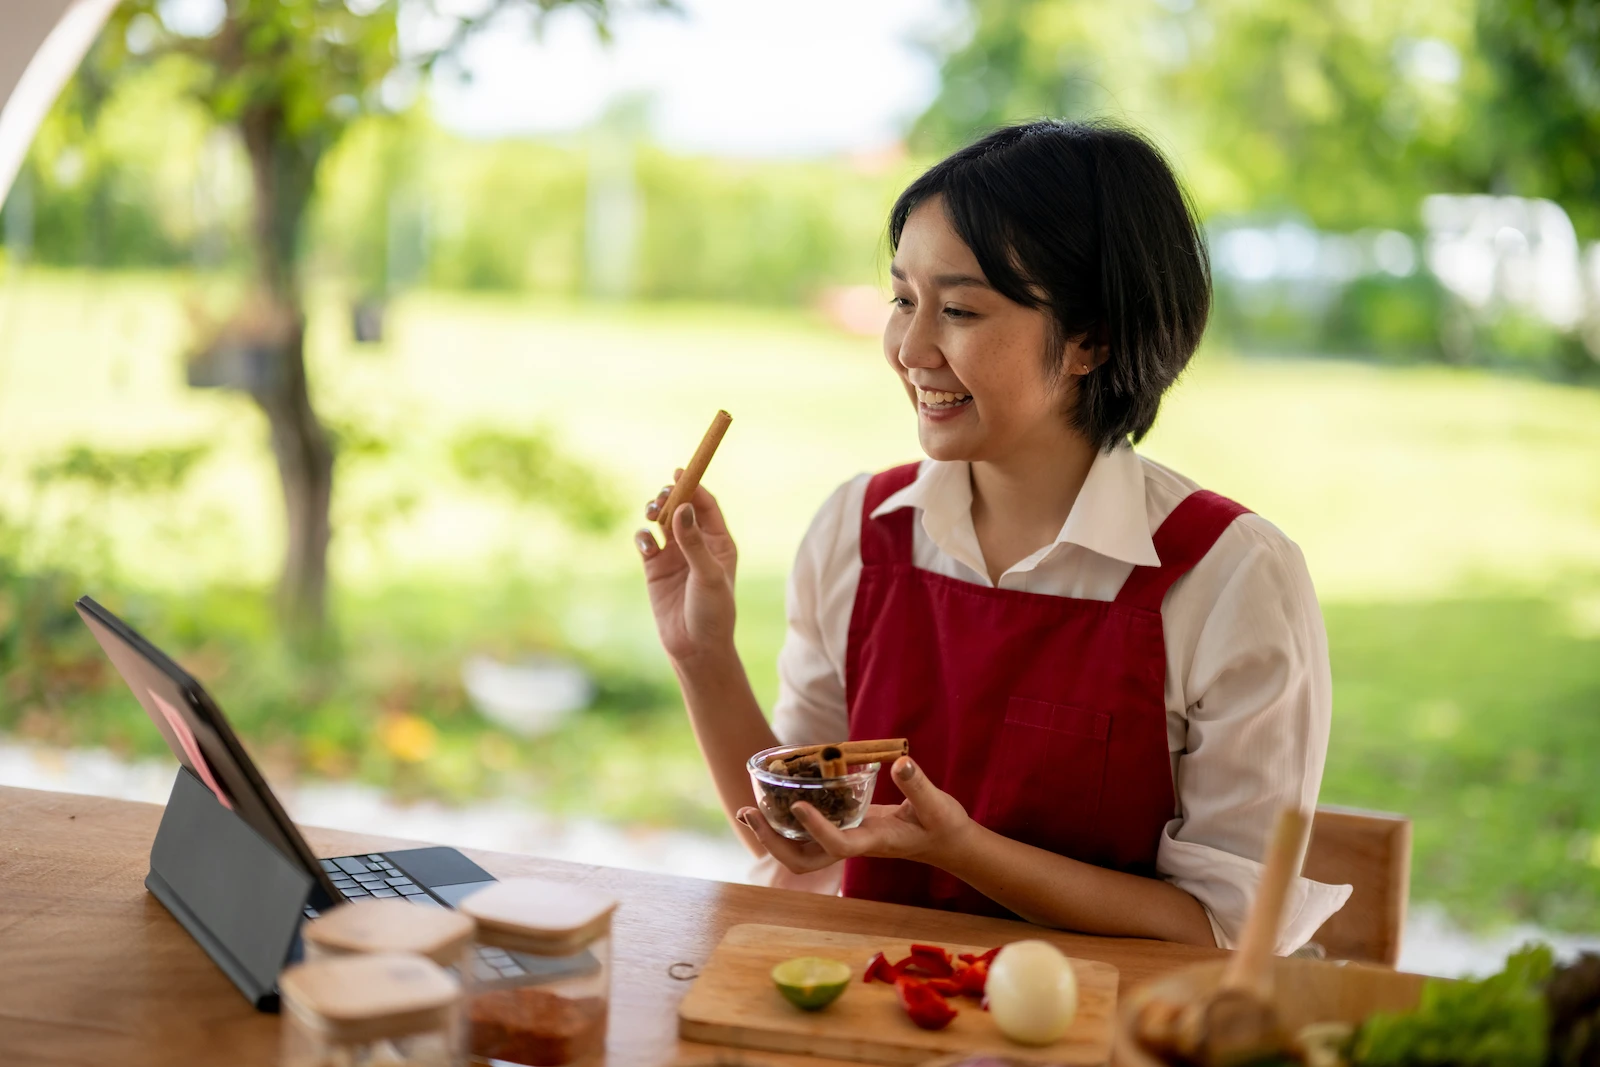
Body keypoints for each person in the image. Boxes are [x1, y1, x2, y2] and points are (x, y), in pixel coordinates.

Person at [635, 120, 1348, 950]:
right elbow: (797, 842)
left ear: (1091, 339)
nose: (910, 348)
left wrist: (962, 849)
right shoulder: (858, 532)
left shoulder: (1231, 579)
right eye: (903, 300)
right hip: (875, 1004)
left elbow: (1222, 929)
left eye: (959, 310)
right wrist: (702, 653)